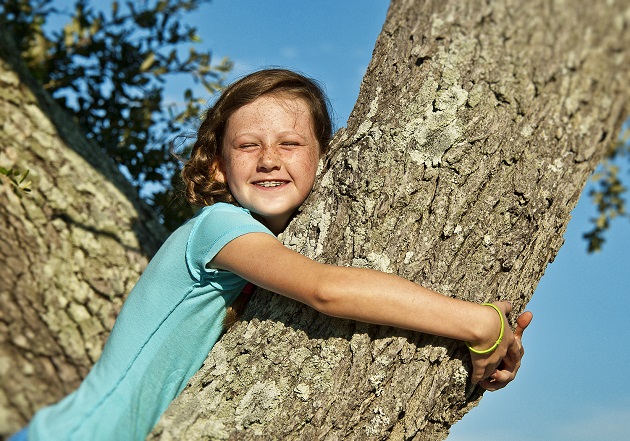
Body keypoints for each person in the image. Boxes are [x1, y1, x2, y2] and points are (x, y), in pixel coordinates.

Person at [10, 69, 532, 441]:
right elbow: (324, 289)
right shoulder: (219, 228)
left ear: (326, 159)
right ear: (216, 166)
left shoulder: (261, 252)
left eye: (290, 144)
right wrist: (478, 323)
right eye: (246, 146)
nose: (267, 160)